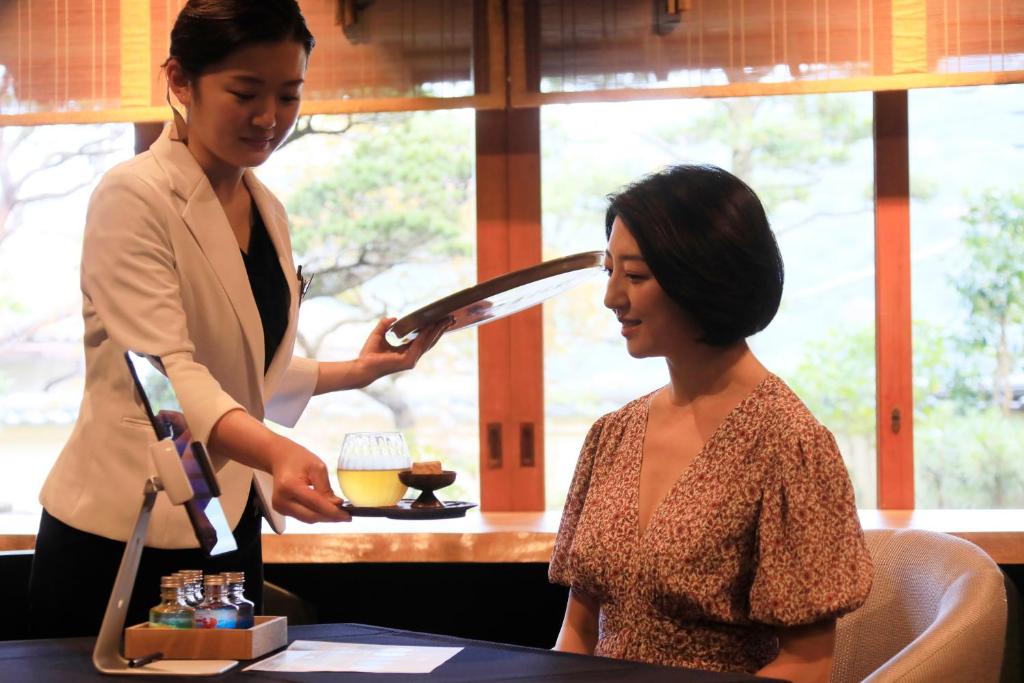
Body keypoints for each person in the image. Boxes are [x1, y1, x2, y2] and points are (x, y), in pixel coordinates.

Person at [28, 0, 446, 637]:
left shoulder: (264, 206)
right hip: (128, 530)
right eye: (245, 92)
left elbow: (240, 370)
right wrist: (278, 449)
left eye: (289, 94)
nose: (269, 118)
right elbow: (167, 377)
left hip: (223, 526)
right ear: (179, 82)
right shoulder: (132, 195)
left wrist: (355, 371)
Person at [549, 164, 873, 681]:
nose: (612, 297)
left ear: (703, 276)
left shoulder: (789, 446)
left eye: (634, 275)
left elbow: (807, 664)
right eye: (609, 271)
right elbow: (578, 634)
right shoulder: (612, 434)